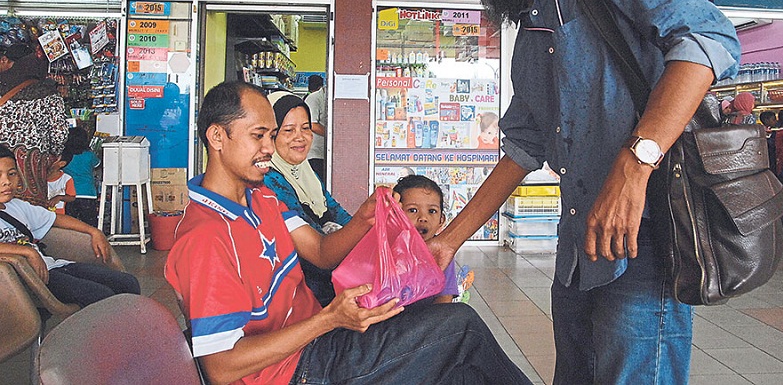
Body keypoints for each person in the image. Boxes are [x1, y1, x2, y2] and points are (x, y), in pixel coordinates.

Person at [420, 0, 740, 384]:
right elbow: (523, 147)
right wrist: (450, 241)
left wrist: (634, 166)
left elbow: (707, 36)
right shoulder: (530, 29)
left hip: (645, 238)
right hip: (578, 250)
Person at [165, 81, 532, 385]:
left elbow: (323, 252)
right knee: (461, 328)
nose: (268, 148)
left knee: (458, 371)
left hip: (322, 340)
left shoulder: (261, 198)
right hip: (299, 371)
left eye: (270, 135)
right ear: (217, 136)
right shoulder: (206, 237)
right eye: (259, 136)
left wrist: (364, 219)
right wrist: (330, 318)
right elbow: (220, 365)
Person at [0, 145, 140, 308]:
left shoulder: (17, 206)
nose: (7, 182)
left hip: (51, 267)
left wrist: (93, 231)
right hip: (24, 280)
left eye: (11, 174)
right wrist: (27, 251)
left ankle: (127, 330)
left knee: (127, 283)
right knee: (101, 296)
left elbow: (56, 219)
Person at [262, 90, 351, 306]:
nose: (300, 137)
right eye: (288, 130)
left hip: (325, 281)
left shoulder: (306, 172)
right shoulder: (269, 181)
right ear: (271, 136)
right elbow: (315, 243)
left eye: (306, 128)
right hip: (299, 295)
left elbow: (335, 210)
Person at [0, 43, 69, 207]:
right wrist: (53, 155)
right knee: (32, 215)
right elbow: (60, 133)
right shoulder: (47, 93)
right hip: (32, 167)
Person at [393, 174, 459, 304]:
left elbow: (445, 300)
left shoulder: (441, 252)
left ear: (442, 220)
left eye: (432, 211)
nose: (423, 217)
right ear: (395, 215)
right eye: (412, 210)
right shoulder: (387, 248)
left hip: (427, 319)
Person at [62, 126, 101, 226]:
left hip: (69, 194)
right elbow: (97, 165)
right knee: (89, 225)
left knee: (71, 225)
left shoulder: (64, 155)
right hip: (88, 193)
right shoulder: (89, 155)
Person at [304, 75, 327, 184]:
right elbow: (312, 124)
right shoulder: (314, 99)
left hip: (327, 152)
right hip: (315, 154)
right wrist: (331, 135)